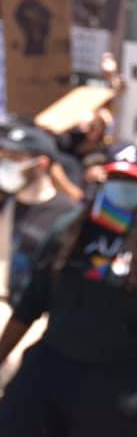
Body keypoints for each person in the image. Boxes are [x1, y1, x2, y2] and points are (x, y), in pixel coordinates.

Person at [0, 143, 137, 437]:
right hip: (51, 367)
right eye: (116, 178)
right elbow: (32, 301)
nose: (123, 187)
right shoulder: (72, 229)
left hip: (116, 381)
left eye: (132, 181)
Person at [0, 125, 78, 387]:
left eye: (16, 158)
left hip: (40, 321)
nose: (6, 164)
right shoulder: (6, 204)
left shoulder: (68, 216)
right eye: (5, 156)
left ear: (41, 163)